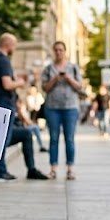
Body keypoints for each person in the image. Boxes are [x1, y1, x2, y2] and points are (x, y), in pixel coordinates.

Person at [0, 33, 29, 182]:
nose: (14, 48)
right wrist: (20, 83)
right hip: (4, 103)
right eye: (14, 45)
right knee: (2, 138)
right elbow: (7, 84)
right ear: (8, 44)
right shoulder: (4, 61)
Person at [40, 41, 83, 180]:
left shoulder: (73, 68)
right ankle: (53, 169)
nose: (58, 52)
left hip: (70, 108)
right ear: (53, 52)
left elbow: (79, 87)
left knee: (69, 139)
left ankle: (70, 169)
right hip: (52, 108)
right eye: (56, 50)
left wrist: (68, 78)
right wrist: (55, 79)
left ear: (65, 51)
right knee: (53, 139)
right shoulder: (48, 69)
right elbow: (45, 88)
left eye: (61, 50)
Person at [8, 97, 49, 180]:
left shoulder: (14, 99)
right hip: (5, 129)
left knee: (28, 133)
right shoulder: (6, 96)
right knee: (29, 132)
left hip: (15, 126)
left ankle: (31, 169)